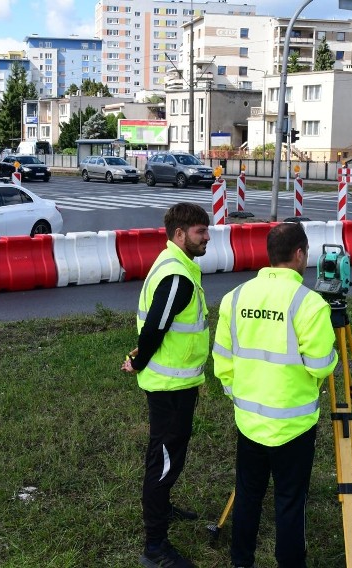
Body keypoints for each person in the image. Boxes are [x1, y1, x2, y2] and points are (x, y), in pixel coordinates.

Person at [212, 222, 338, 568]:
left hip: (249, 421)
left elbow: (222, 360)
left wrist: (237, 395)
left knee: (249, 496)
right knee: (289, 501)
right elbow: (321, 366)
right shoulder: (309, 304)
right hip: (293, 426)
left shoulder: (235, 297)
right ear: (299, 254)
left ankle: (241, 562)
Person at [121, 202, 211, 568]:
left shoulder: (176, 263)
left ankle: (162, 504)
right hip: (168, 386)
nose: (207, 237)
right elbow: (155, 326)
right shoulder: (178, 276)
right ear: (179, 234)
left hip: (175, 381)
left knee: (165, 454)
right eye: (200, 231)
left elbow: (159, 325)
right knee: (164, 460)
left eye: (206, 230)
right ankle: (154, 548)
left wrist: (140, 354)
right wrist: (139, 359)